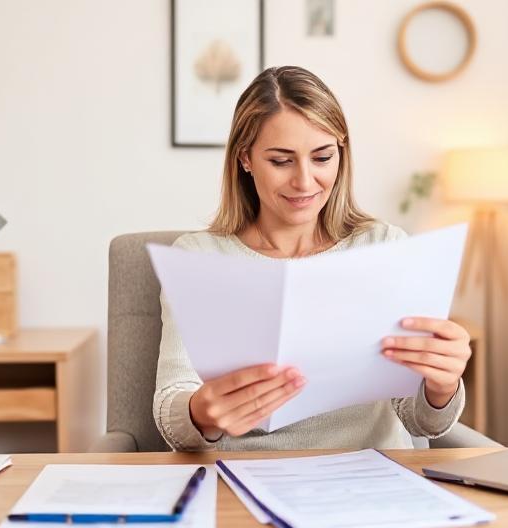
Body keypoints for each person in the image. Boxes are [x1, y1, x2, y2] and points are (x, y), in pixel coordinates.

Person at [153, 66, 471, 451]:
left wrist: (442, 385)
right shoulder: (200, 258)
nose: (305, 181)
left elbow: (419, 420)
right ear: (245, 159)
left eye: (322, 158)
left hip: (370, 479)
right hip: (246, 481)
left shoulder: (383, 247)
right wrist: (201, 411)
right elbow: (172, 405)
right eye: (281, 161)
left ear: (341, 153)